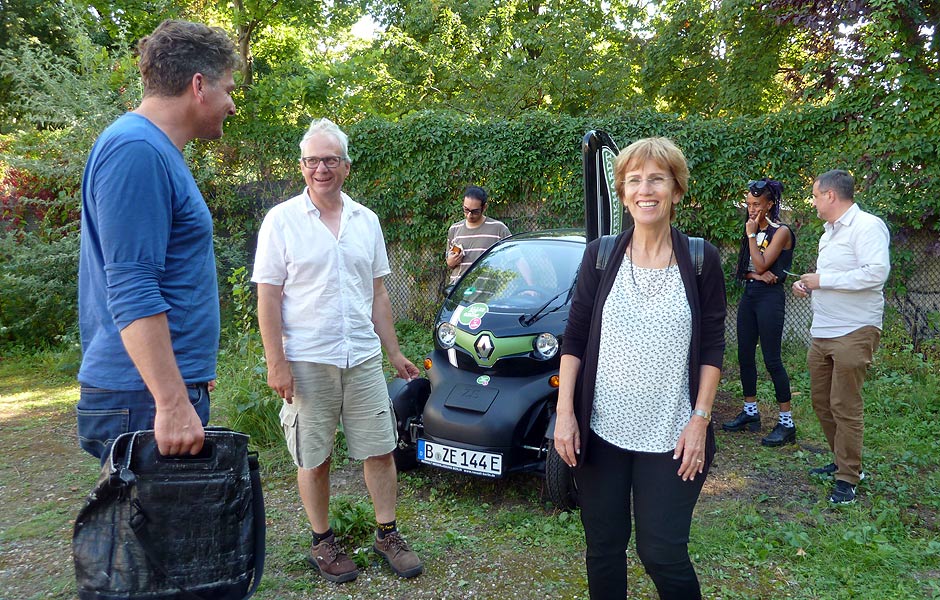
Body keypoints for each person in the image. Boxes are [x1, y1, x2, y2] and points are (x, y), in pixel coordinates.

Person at [252, 118, 423, 583]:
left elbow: (379, 294)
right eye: (312, 161)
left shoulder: (366, 221)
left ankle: (386, 534)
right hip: (307, 359)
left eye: (330, 160)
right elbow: (268, 296)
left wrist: (393, 352)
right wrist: (277, 362)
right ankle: (322, 543)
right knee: (315, 456)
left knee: (381, 450)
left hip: (363, 357)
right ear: (302, 166)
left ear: (346, 166)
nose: (320, 168)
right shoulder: (281, 221)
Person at [555, 137, 726, 599]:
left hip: (672, 435)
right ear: (623, 192)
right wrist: (565, 414)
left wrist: (700, 420)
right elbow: (573, 340)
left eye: (656, 178)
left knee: (662, 552)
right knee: (604, 548)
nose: (645, 189)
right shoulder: (601, 255)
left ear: (675, 189)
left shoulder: (700, 259)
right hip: (602, 431)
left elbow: (712, 345)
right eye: (634, 180)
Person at [76, 20, 239, 461]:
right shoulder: (137, 150)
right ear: (198, 85)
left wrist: (189, 368)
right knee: (151, 532)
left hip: (150, 390)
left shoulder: (153, 149)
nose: (231, 104)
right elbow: (132, 286)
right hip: (141, 398)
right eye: (228, 89)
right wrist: (169, 399)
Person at [792, 169, 890, 504]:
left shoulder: (867, 226)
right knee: (822, 402)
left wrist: (823, 280)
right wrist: (807, 285)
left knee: (844, 404)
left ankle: (848, 477)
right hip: (823, 330)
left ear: (831, 195)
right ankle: (841, 460)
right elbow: (831, 277)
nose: (814, 202)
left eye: (816, 195)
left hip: (855, 328)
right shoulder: (828, 233)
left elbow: (876, 274)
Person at [722, 178, 798, 446]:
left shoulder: (781, 232)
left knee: (772, 359)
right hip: (751, 295)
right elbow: (744, 268)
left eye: (757, 204)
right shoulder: (750, 228)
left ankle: (786, 422)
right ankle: (750, 413)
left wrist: (753, 240)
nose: (751, 209)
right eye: (748, 204)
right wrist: (756, 272)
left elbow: (763, 263)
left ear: (770, 204)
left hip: (770, 299)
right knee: (744, 354)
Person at [445, 185, 511, 284]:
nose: (469, 215)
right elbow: (449, 262)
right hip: (457, 294)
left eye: (474, 211)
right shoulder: (454, 229)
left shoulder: (499, 229)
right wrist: (450, 262)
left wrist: (530, 286)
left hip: (486, 296)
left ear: (484, 207)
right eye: (466, 210)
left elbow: (517, 260)